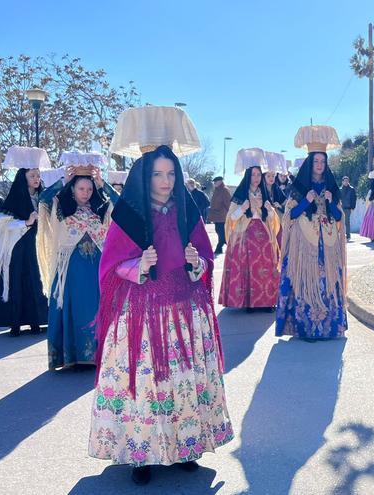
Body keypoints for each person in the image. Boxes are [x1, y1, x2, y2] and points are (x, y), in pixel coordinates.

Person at [90, 107, 233, 485]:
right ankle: (141, 453)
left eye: (171, 174)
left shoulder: (187, 210)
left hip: (184, 310)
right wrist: (137, 264)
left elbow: (204, 254)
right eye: (157, 174)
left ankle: (186, 444)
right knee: (145, 382)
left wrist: (197, 262)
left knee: (184, 380)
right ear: (144, 174)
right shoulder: (128, 214)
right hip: (142, 312)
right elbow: (110, 264)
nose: (165, 181)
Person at [38, 156, 118, 371]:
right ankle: (69, 355)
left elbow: (122, 205)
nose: (86, 193)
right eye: (81, 189)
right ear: (72, 189)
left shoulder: (101, 209)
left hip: (98, 270)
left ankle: (99, 354)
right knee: (72, 307)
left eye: (90, 190)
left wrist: (103, 184)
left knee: (96, 308)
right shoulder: (61, 208)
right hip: (69, 271)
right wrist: (62, 181)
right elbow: (43, 199)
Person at [276, 125, 348, 341]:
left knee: (328, 283)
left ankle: (330, 327)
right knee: (303, 283)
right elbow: (290, 216)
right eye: (316, 161)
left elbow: (338, 217)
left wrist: (329, 202)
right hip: (304, 246)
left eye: (323, 162)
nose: (319, 165)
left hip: (327, 246)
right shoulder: (299, 187)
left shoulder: (331, 187)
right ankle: (305, 328)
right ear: (310, 164)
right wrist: (305, 202)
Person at [0, 146, 50, 337]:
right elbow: (4, 224)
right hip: (17, 248)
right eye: (32, 176)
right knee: (17, 281)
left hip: (37, 246)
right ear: (23, 178)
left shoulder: (43, 197)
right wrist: (26, 222)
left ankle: (37, 321)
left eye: (38, 175)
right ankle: (15, 322)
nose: (36, 179)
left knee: (36, 281)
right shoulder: (14, 198)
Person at [218, 164, 280, 310]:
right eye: (253, 175)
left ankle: (267, 301)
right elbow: (231, 219)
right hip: (245, 236)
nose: (256, 178)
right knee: (247, 268)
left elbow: (272, 219)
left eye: (259, 175)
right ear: (247, 176)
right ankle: (248, 302)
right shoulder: (240, 195)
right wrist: (242, 209)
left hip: (264, 237)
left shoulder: (264, 194)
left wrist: (270, 211)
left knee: (265, 268)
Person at [208, 176, 233, 255]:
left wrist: (230, 214)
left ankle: (221, 247)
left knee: (222, 233)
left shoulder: (224, 190)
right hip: (217, 216)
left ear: (220, 181)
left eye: (216, 181)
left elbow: (228, 203)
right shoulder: (216, 190)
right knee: (219, 231)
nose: (214, 183)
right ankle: (229, 247)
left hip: (222, 216)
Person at [339, 176, 357, 240]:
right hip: (341, 208)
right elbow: (338, 198)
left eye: (347, 181)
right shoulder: (340, 189)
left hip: (348, 208)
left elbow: (354, 198)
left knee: (347, 221)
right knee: (341, 221)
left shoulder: (352, 189)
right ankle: (341, 235)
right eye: (344, 181)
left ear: (348, 181)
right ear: (342, 182)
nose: (346, 182)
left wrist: (353, 207)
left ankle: (348, 235)